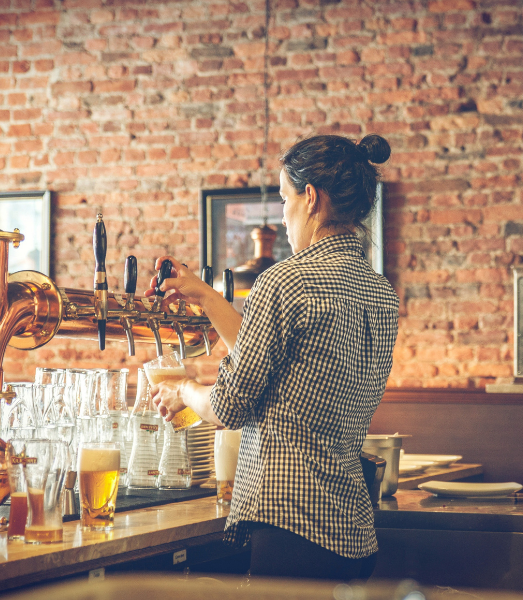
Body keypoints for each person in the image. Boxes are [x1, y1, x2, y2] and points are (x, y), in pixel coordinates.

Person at [146, 134, 399, 581]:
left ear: (310, 197)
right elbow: (272, 356)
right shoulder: (380, 292)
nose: (282, 217)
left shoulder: (285, 282)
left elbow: (229, 407)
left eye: (284, 199)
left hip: (292, 529)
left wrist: (184, 389)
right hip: (353, 530)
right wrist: (204, 296)